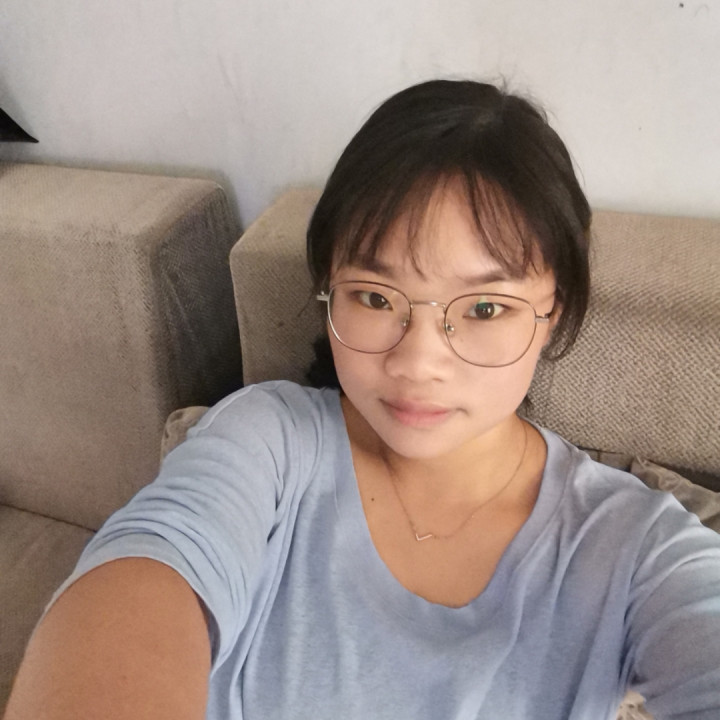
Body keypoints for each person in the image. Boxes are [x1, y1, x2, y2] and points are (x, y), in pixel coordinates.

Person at [5, 80, 720, 720]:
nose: (416, 362)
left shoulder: (636, 546)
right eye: (376, 297)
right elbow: (150, 566)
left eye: (485, 308)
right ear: (329, 291)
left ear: (553, 314)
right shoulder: (265, 440)